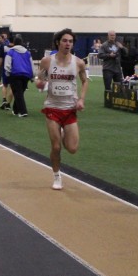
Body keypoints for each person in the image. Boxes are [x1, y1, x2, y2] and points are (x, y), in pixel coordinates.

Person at [36, 28, 89, 191]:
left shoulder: (79, 63)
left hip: (70, 109)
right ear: (58, 42)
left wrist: (81, 99)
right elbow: (39, 79)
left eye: (70, 41)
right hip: (52, 107)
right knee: (56, 147)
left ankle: (64, 131)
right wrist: (40, 83)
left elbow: (85, 81)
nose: (68, 44)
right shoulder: (47, 61)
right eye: (65, 41)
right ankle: (57, 176)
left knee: (72, 148)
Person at [4, 34, 34, 117]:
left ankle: (23, 111)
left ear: (14, 43)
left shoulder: (11, 51)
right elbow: (31, 65)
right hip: (26, 75)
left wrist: (8, 73)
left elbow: (7, 64)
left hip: (15, 74)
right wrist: (32, 76)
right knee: (19, 93)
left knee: (18, 93)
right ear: (22, 43)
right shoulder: (27, 53)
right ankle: (15, 110)